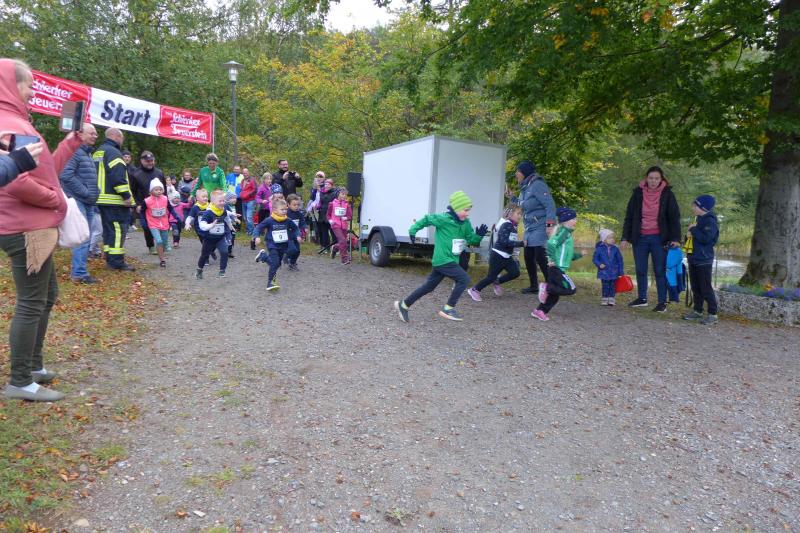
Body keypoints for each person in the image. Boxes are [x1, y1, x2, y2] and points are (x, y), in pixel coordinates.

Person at [0, 58, 81, 401]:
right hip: (27, 228)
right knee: (32, 302)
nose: (33, 92)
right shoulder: (8, 124)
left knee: (46, 296)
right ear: (11, 85)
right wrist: (54, 200)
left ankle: (32, 367)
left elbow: (43, 171)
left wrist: (70, 143)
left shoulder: (16, 121)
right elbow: (14, 180)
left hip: (33, 224)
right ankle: (20, 380)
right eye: (29, 85)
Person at [394, 191, 488, 322]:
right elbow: (427, 219)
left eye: (468, 211)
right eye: (465, 210)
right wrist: (413, 230)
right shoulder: (444, 219)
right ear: (456, 208)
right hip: (443, 259)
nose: (467, 213)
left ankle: (403, 305)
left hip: (451, 260)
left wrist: (479, 236)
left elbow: (472, 240)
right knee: (464, 279)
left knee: (429, 287)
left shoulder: (466, 223)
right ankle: (448, 308)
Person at [621, 165, 681, 312]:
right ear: (646, 178)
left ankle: (662, 302)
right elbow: (629, 216)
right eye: (651, 178)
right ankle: (642, 298)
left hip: (659, 239)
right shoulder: (637, 193)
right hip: (640, 238)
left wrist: (675, 238)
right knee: (640, 269)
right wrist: (625, 237)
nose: (653, 181)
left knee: (659, 270)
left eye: (656, 178)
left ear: (661, 179)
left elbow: (674, 218)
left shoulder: (668, 194)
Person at [59, 122, 100, 283]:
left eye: (95, 133)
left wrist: (95, 191)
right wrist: (86, 192)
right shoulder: (75, 152)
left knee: (85, 236)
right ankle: (79, 274)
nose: (95, 136)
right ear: (80, 134)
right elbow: (65, 175)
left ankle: (80, 271)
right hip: (79, 201)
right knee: (82, 237)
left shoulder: (86, 153)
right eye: (92, 133)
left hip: (87, 201)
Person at [94, 128, 136, 271]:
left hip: (102, 199)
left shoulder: (99, 151)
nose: (122, 141)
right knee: (118, 231)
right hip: (114, 200)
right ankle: (116, 262)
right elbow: (117, 176)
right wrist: (126, 196)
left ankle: (109, 257)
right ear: (116, 136)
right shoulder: (114, 153)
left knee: (108, 231)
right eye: (122, 138)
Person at [532, 207, 583, 321]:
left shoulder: (566, 233)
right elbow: (551, 244)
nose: (576, 221)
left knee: (554, 296)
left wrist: (579, 255)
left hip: (557, 268)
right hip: (556, 268)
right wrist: (552, 260)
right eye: (573, 219)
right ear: (566, 220)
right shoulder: (564, 232)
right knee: (571, 288)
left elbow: (567, 255)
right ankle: (546, 287)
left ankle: (540, 311)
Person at [514, 161, 556, 295]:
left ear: (524, 172)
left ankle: (552, 285)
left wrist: (550, 224)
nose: (516, 174)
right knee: (528, 255)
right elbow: (523, 205)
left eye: (518, 171)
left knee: (540, 255)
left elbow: (550, 205)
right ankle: (533, 286)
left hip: (540, 225)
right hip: (529, 227)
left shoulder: (537, 185)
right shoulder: (525, 187)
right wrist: (512, 198)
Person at [467, 205, 524, 301]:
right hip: (498, 255)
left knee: (515, 272)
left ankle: (497, 282)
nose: (520, 216)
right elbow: (504, 242)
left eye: (521, 214)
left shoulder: (514, 226)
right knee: (491, 277)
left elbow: (511, 241)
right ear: (510, 214)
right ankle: (474, 289)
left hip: (507, 256)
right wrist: (521, 243)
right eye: (518, 213)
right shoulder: (506, 225)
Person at [683, 195, 720, 325]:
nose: (693, 208)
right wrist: (687, 235)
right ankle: (697, 310)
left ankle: (713, 314)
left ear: (703, 208)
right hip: (694, 257)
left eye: (695, 206)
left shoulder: (710, 221)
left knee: (705, 288)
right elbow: (693, 238)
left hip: (704, 259)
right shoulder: (698, 219)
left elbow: (706, 239)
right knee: (695, 287)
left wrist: (693, 230)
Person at [254, 197, 299, 290]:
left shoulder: (288, 220)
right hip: (272, 245)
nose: (284, 211)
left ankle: (263, 256)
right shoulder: (269, 220)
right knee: (275, 263)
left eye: (286, 209)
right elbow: (258, 227)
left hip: (283, 245)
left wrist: (298, 235)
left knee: (277, 264)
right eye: (282, 209)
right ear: (274, 210)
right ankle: (270, 283)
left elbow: (295, 228)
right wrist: (256, 236)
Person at [129, 150, 166, 255]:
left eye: (151, 160)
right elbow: (132, 191)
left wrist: (166, 203)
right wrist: (136, 204)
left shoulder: (159, 173)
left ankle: (162, 244)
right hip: (143, 205)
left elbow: (164, 190)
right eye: (147, 161)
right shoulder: (135, 174)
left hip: (159, 204)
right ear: (142, 161)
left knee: (162, 225)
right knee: (146, 227)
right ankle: (151, 246)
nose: (150, 163)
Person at [196, 189, 234, 279]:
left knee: (225, 252)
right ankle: (199, 270)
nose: (222, 203)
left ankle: (222, 271)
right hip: (209, 239)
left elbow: (226, 218)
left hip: (220, 238)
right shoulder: (208, 213)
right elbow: (202, 225)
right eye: (220, 201)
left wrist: (230, 225)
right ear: (213, 202)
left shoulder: (223, 211)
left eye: (223, 201)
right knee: (204, 255)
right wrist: (211, 225)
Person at [144, 178, 176, 267]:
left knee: (164, 242)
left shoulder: (165, 199)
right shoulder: (147, 201)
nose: (158, 191)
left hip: (164, 223)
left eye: (160, 189)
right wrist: (144, 221)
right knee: (158, 241)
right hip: (153, 224)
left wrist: (176, 216)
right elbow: (142, 211)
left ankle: (163, 248)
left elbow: (170, 208)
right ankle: (162, 260)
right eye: (156, 189)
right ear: (151, 190)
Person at [592, 228, 624, 306]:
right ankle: (605, 298)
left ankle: (611, 299)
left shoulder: (615, 249)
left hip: (614, 271)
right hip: (604, 272)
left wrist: (621, 271)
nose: (612, 239)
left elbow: (620, 260)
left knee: (613, 286)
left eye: (613, 238)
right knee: (605, 285)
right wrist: (599, 264)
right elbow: (595, 259)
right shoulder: (599, 249)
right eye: (609, 238)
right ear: (604, 239)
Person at [327, 186, 353, 264]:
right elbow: (328, 215)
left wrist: (346, 218)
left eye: (345, 194)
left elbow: (350, 216)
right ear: (338, 194)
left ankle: (335, 247)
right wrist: (330, 220)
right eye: (342, 194)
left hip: (344, 226)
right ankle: (344, 258)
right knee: (342, 240)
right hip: (335, 225)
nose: (344, 196)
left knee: (343, 242)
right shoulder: (332, 204)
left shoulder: (347, 205)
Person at [285, 193, 307, 271]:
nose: (296, 206)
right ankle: (288, 259)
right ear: (288, 204)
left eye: (298, 205)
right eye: (294, 205)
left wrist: (305, 227)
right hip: (288, 235)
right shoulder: (285, 213)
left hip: (296, 235)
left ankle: (292, 262)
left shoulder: (299, 214)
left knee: (297, 251)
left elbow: (302, 222)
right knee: (292, 249)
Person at [316, 178, 338, 254]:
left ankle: (336, 248)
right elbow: (320, 202)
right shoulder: (321, 192)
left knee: (333, 232)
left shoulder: (335, 193)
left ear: (332, 185)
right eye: (325, 184)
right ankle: (325, 247)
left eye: (328, 184)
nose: (327, 185)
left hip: (331, 215)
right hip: (322, 214)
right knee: (324, 233)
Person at [239, 168, 257, 244]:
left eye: (246, 173)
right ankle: (249, 230)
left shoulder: (252, 180)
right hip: (243, 201)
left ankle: (252, 231)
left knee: (249, 216)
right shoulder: (242, 181)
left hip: (250, 200)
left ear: (248, 173)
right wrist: (242, 194)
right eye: (243, 173)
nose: (245, 174)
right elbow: (242, 189)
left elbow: (255, 189)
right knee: (245, 217)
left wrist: (248, 194)